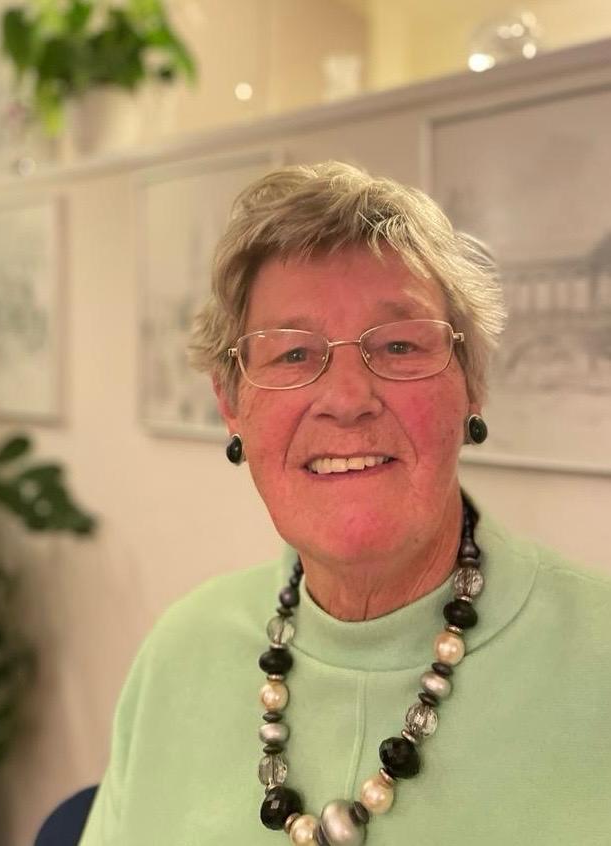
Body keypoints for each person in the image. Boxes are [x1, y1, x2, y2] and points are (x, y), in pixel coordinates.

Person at [78, 162, 611, 846]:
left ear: (472, 384)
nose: (348, 398)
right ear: (231, 403)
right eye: (293, 355)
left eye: (399, 345)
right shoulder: (179, 654)